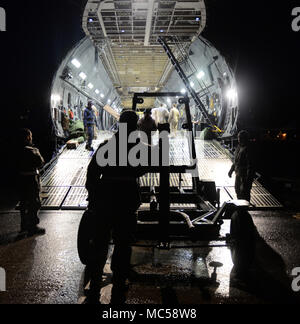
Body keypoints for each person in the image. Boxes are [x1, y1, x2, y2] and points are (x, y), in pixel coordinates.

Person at [85, 110, 147, 304]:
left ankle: (95, 283)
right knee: (123, 244)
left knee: (100, 242)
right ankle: (119, 282)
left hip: (105, 200)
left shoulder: (106, 146)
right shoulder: (138, 149)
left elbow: (92, 174)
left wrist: (94, 196)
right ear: (135, 127)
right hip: (126, 200)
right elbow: (142, 169)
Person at [18, 129, 46, 236]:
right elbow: (40, 162)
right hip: (32, 179)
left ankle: (24, 225)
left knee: (23, 203)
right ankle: (33, 226)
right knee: (34, 202)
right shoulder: (32, 150)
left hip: (20, 179)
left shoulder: (16, 150)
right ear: (28, 138)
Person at [228, 131, 255, 202]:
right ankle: (240, 206)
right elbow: (236, 161)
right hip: (238, 174)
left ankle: (245, 209)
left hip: (244, 175)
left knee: (244, 192)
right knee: (237, 190)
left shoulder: (248, 149)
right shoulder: (239, 147)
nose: (238, 139)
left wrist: (248, 178)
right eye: (238, 137)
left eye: (240, 138)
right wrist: (231, 170)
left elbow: (250, 164)